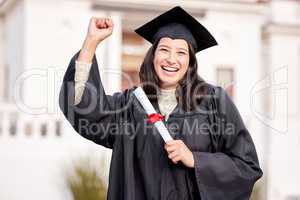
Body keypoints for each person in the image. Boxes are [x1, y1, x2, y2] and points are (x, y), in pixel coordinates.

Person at [59, 6, 262, 200]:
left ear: (190, 62)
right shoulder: (130, 104)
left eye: (181, 53)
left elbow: (246, 166)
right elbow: (85, 110)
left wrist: (196, 160)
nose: (171, 59)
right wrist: (90, 43)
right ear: (153, 55)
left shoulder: (214, 102)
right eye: (164, 49)